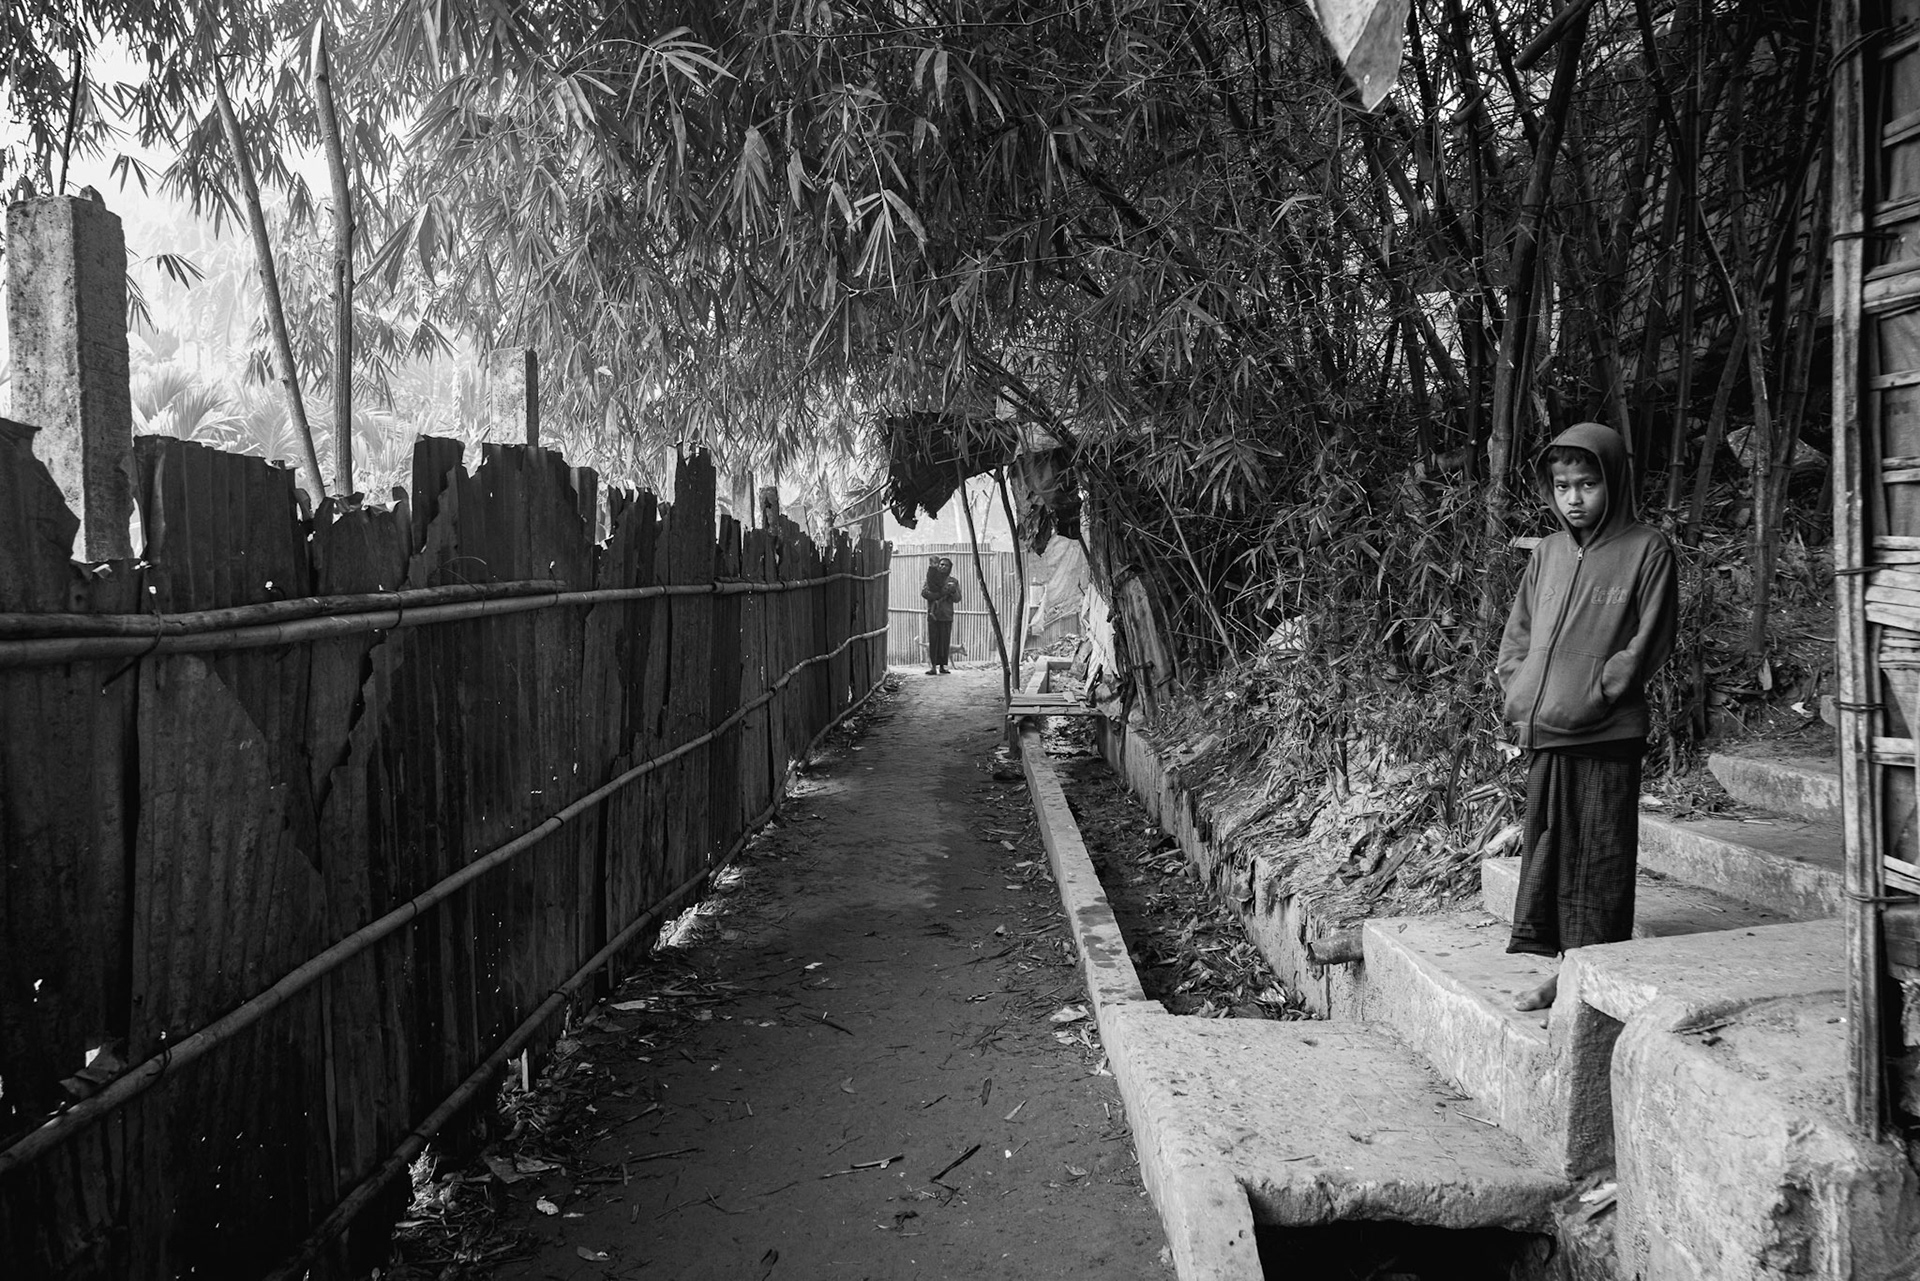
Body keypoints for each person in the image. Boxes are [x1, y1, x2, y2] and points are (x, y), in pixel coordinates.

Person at [1496, 422, 1678, 1012]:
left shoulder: (1646, 549)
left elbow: (1649, 642)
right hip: (1546, 727)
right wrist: (1517, 685)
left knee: (1597, 861)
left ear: (1614, 481)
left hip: (1606, 731)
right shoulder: (1547, 552)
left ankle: (1589, 979)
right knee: (1550, 854)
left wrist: (1599, 692)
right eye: (1563, 485)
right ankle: (1562, 973)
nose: (1574, 498)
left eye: (1588, 484)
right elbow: (1518, 633)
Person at [922, 557, 961, 674]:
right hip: (933, 615)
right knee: (933, 641)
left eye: (946, 565)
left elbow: (958, 599)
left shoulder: (953, 581)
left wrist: (953, 591)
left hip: (946, 615)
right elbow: (924, 593)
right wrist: (939, 594)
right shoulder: (931, 580)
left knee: (945, 641)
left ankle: (943, 666)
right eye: (941, 564)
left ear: (950, 568)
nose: (942, 567)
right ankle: (933, 667)